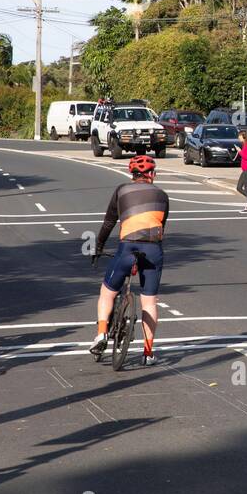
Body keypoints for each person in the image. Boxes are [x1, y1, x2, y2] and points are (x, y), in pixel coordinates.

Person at [91, 155, 169, 365]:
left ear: (132, 175)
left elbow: (109, 222)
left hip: (127, 248)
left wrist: (98, 247)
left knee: (107, 292)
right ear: (151, 175)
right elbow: (163, 226)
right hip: (153, 251)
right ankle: (148, 352)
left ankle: (101, 334)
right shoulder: (162, 195)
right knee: (149, 301)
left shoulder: (121, 190)